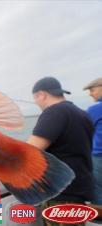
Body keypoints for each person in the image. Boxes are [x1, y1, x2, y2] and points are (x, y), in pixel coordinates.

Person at [27, 77, 94, 226]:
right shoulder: (82, 114)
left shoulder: (54, 112)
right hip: (79, 187)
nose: (37, 103)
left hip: (61, 192)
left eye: (36, 99)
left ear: (41, 95)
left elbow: (30, 151)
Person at [84, 78, 102, 206]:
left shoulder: (94, 109)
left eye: (92, 89)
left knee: (97, 190)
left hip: (99, 157)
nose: (90, 93)